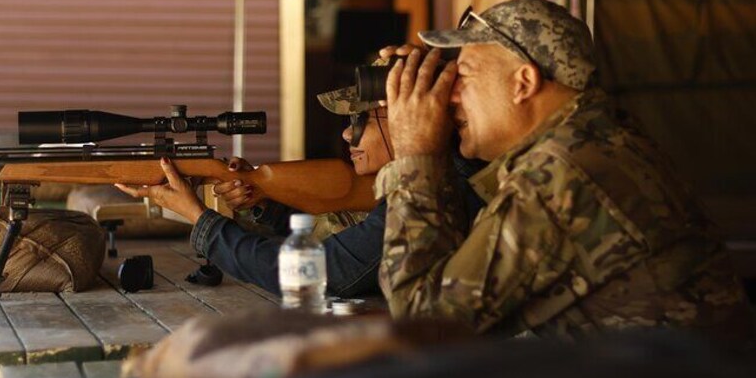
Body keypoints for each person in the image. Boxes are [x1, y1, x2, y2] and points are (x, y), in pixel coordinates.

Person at [377, 0, 756, 349]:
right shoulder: (599, 139)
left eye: (464, 75)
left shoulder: (562, 175)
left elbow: (424, 326)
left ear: (523, 83)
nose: (451, 95)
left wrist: (417, 154)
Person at [116, 65, 483, 298]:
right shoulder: (437, 179)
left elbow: (316, 274)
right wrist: (261, 203)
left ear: (408, 118)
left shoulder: (439, 187)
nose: (346, 135)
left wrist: (200, 219)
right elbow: (339, 232)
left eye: (361, 121)